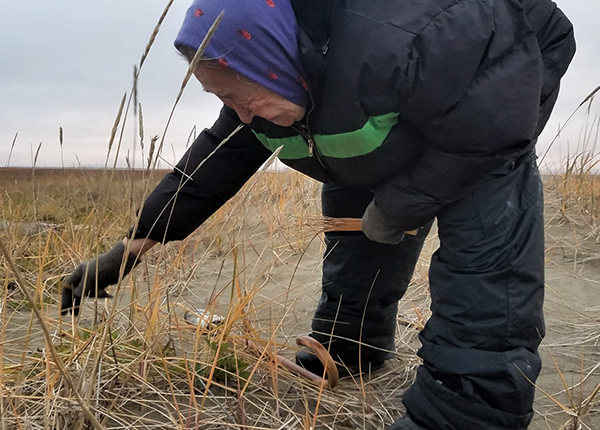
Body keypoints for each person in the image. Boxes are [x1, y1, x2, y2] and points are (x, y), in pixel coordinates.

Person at [61, 0, 576, 428]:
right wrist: (131, 246)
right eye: (225, 100)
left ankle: (467, 409)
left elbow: (490, 129)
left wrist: (400, 206)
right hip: (387, 100)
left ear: (276, 64)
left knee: (483, 250)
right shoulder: (265, 80)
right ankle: (351, 347)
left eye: (243, 98)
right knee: (353, 187)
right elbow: (217, 156)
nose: (239, 114)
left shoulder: (403, 39)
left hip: (494, 93)